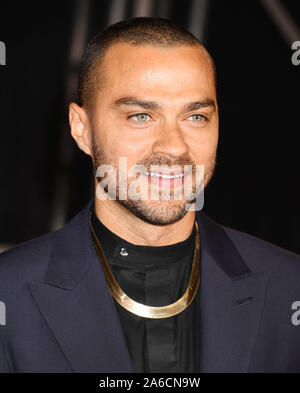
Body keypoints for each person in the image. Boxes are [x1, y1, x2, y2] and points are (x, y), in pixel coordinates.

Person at [0, 17, 299, 374]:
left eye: (196, 117)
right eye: (141, 116)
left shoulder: (289, 288)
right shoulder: (9, 295)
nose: (174, 147)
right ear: (81, 129)